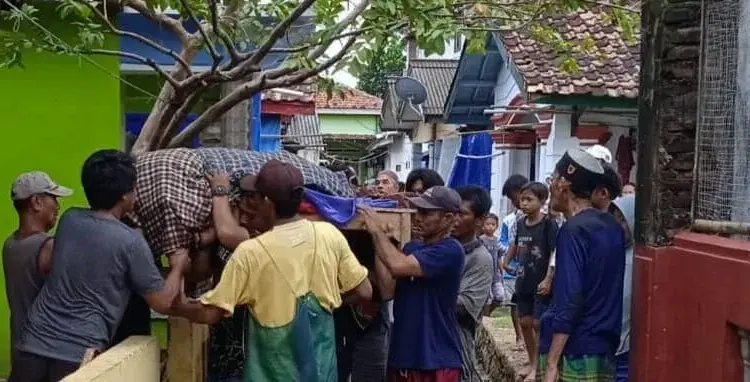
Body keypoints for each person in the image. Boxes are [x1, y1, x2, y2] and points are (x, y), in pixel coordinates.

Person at [171, 159, 373, 381]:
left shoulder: (251, 252)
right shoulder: (329, 235)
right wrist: (332, 302)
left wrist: (179, 306)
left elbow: (211, 313)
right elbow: (364, 292)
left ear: (266, 201)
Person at [10, 150, 188, 382]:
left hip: (31, 344)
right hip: (76, 353)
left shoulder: (69, 220)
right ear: (125, 196)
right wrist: (178, 266)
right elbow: (163, 302)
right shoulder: (132, 243)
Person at [358, 186, 464, 382]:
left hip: (436, 361)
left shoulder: (451, 250)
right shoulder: (412, 247)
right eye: (417, 211)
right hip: (403, 359)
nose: (418, 217)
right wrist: (382, 238)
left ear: (448, 218)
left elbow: (398, 266)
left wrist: (376, 232)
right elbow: (387, 290)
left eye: (426, 213)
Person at [539, 149, 626, 382]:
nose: (550, 187)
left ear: (563, 186)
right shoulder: (613, 227)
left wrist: (552, 362)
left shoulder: (573, 231)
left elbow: (570, 299)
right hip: (603, 347)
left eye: (552, 180)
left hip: (574, 350)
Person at [3, 172, 72, 365]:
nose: (58, 206)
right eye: (54, 199)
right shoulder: (48, 246)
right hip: (46, 355)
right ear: (37, 202)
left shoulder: (9, 244)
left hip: (20, 350)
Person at [501, 182, 558, 382]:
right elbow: (515, 245)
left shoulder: (549, 225)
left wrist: (548, 278)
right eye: (522, 199)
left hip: (540, 282)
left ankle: (540, 366)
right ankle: (531, 361)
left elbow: (553, 253)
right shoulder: (521, 222)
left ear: (542, 201)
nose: (523, 203)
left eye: (529, 200)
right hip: (523, 280)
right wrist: (506, 262)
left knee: (537, 323)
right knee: (524, 322)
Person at [453, 186, 494, 382]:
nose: (454, 219)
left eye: (461, 214)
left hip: (456, 347)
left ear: (480, 219)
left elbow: (462, 307)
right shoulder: (442, 246)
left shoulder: (480, 259)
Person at [499, 174, 528, 346]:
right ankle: (520, 338)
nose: (513, 202)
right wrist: (506, 261)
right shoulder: (516, 218)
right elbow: (514, 242)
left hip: (536, 267)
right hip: (520, 266)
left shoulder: (544, 214)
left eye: (512, 197)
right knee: (516, 303)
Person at [480, 213, 504, 314]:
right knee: (487, 299)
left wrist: (501, 268)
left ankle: (488, 313)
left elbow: (498, 256)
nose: (490, 227)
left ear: (497, 226)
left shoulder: (496, 240)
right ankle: (485, 318)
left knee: (500, 296)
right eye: (488, 224)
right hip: (484, 274)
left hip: (495, 275)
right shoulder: (481, 240)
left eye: (493, 224)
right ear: (483, 225)